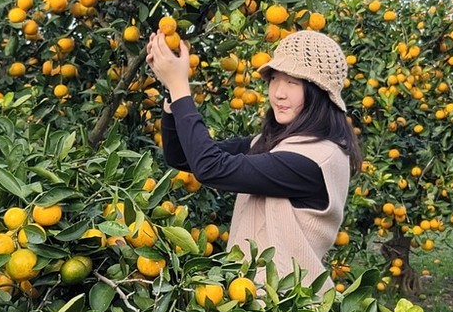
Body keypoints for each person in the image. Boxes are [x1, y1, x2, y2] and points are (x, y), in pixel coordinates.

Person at [145, 28, 362, 290]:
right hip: (249, 302)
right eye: (275, 79)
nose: (279, 92)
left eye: (293, 83)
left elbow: (210, 167)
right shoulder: (275, 144)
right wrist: (171, 91)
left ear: (319, 92)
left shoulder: (315, 160)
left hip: (286, 309)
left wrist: (181, 87)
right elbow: (182, 156)